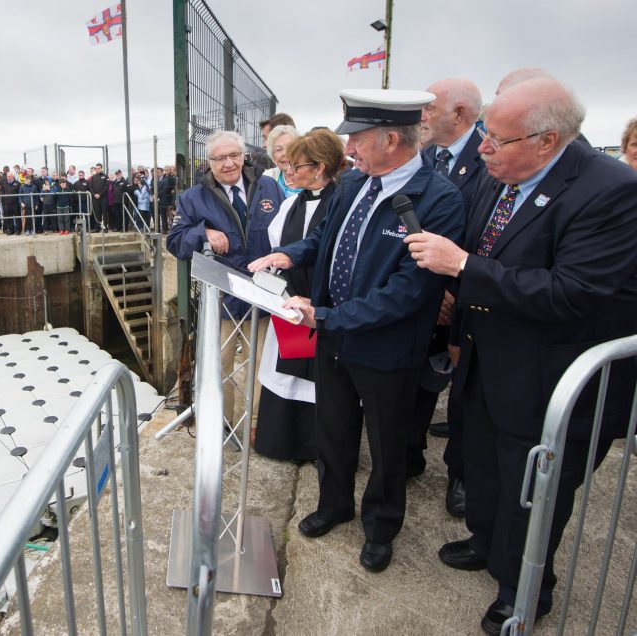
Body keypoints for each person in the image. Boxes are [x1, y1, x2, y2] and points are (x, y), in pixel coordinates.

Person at [406, 76, 637, 635]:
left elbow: (570, 292)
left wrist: (461, 269)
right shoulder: (502, 172)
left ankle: (526, 590)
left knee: (535, 490)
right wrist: (459, 324)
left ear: (546, 139)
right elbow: (490, 248)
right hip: (487, 358)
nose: (482, 148)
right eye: (484, 135)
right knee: (482, 464)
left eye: (497, 140)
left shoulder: (610, 191)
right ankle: (485, 543)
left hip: (549, 378)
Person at [248, 89, 464, 573]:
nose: (349, 149)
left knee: (387, 443)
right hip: (335, 336)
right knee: (334, 427)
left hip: (386, 347)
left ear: (390, 139)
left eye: (358, 139)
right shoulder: (353, 185)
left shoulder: (440, 200)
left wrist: (323, 318)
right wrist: (291, 254)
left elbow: (411, 292)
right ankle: (334, 503)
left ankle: (381, 526)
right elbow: (325, 239)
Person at [169, 129, 284, 428]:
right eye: (219, 158)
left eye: (234, 155)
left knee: (260, 364)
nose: (228, 163)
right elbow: (175, 242)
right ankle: (223, 424)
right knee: (220, 365)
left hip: (263, 293)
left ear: (244, 156)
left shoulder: (269, 186)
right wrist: (203, 233)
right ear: (209, 162)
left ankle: (256, 425)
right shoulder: (192, 198)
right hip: (221, 299)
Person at [409, 77, 485, 516]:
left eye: (429, 109)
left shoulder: (488, 159)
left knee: (465, 387)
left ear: (459, 114)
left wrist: (455, 289)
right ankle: (410, 452)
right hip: (425, 288)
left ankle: (461, 475)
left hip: (466, 293)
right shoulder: (428, 157)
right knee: (422, 374)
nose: (422, 117)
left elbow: (486, 235)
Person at [253, 128, 345, 463]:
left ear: (319, 167)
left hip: (323, 305)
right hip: (288, 300)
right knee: (285, 373)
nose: (288, 172)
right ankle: (282, 442)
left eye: (296, 166)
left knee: (323, 381)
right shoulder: (290, 203)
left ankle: (318, 448)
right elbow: (276, 243)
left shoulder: (342, 203)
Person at [263, 124, 302, 197]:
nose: (285, 153)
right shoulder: (268, 178)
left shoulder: (313, 175)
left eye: (290, 147)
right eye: (279, 149)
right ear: (273, 156)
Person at [89, 163, 110, 231]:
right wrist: (94, 194)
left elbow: (106, 187)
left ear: (101, 169)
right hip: (95, 198)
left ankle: (105, 227)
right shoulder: (93, 177)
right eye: (96, 168)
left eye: (98, 168)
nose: (97, 169)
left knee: (105, 212)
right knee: (97, 213)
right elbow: (91, 187)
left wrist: (100, 194)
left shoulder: (105, 176)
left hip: (103, 198)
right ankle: (97, 227)